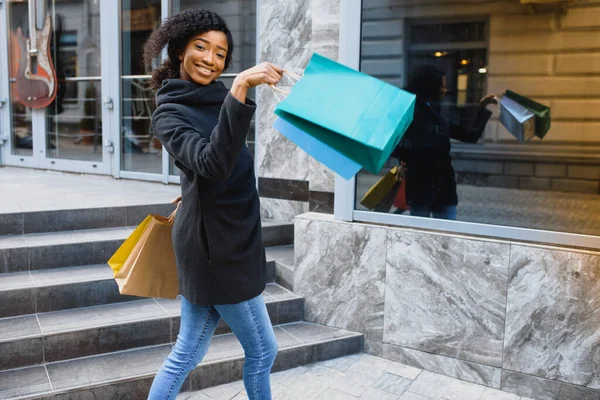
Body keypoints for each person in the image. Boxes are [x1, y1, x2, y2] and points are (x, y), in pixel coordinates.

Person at [143, 9, 283, 400]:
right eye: (201, 47)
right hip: (217, 250)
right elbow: (213, 163)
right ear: (179, 51)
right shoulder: (170, 111)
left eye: (220, 54)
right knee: (262, 350)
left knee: (187, 351)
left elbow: (210, 166)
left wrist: (191, 188)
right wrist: (240, 88)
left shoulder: (216, 98)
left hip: (226, 237)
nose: (210, 59)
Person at [393, 64, 497, 220]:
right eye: (442, 86)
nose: (445, 90)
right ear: (430, 87)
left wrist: (482, 107)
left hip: (444, 189)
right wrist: (407, 157)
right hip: (420, 188)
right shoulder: (410, 113)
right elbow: (392, 144)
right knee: (421, 235)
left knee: (447, 236)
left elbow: (470, 136)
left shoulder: (438, 115)